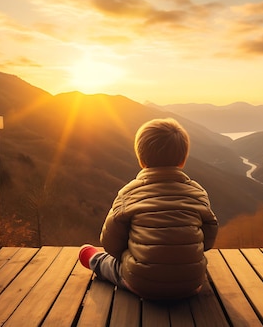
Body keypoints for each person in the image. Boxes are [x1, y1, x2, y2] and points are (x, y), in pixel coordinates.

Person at [78, 117, 218, 300]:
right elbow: (209, 238)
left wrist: (134, 253)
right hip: (192, 283)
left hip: (141, 284)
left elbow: (110, 243)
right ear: (183, 160)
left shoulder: (129, 193)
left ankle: (93, 260)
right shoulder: (198, 193)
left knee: (109, 263)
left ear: (141, 159)